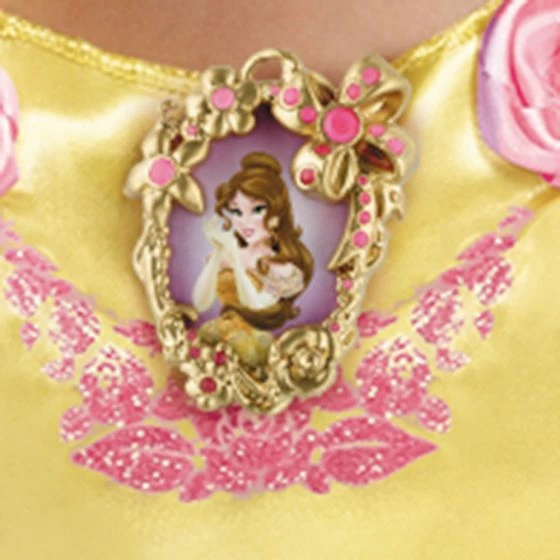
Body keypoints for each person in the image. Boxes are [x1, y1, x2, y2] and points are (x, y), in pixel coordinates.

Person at [191, 151, 314, 367]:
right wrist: (218, 252)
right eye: (237, 212)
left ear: (276, 215)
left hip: (254, 342)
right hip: (221, 336)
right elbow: (201, 303)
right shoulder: (228, 251)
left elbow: (256, 305)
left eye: (257, 210)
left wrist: (236, 261)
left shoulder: (281, 267)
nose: (244, 222)